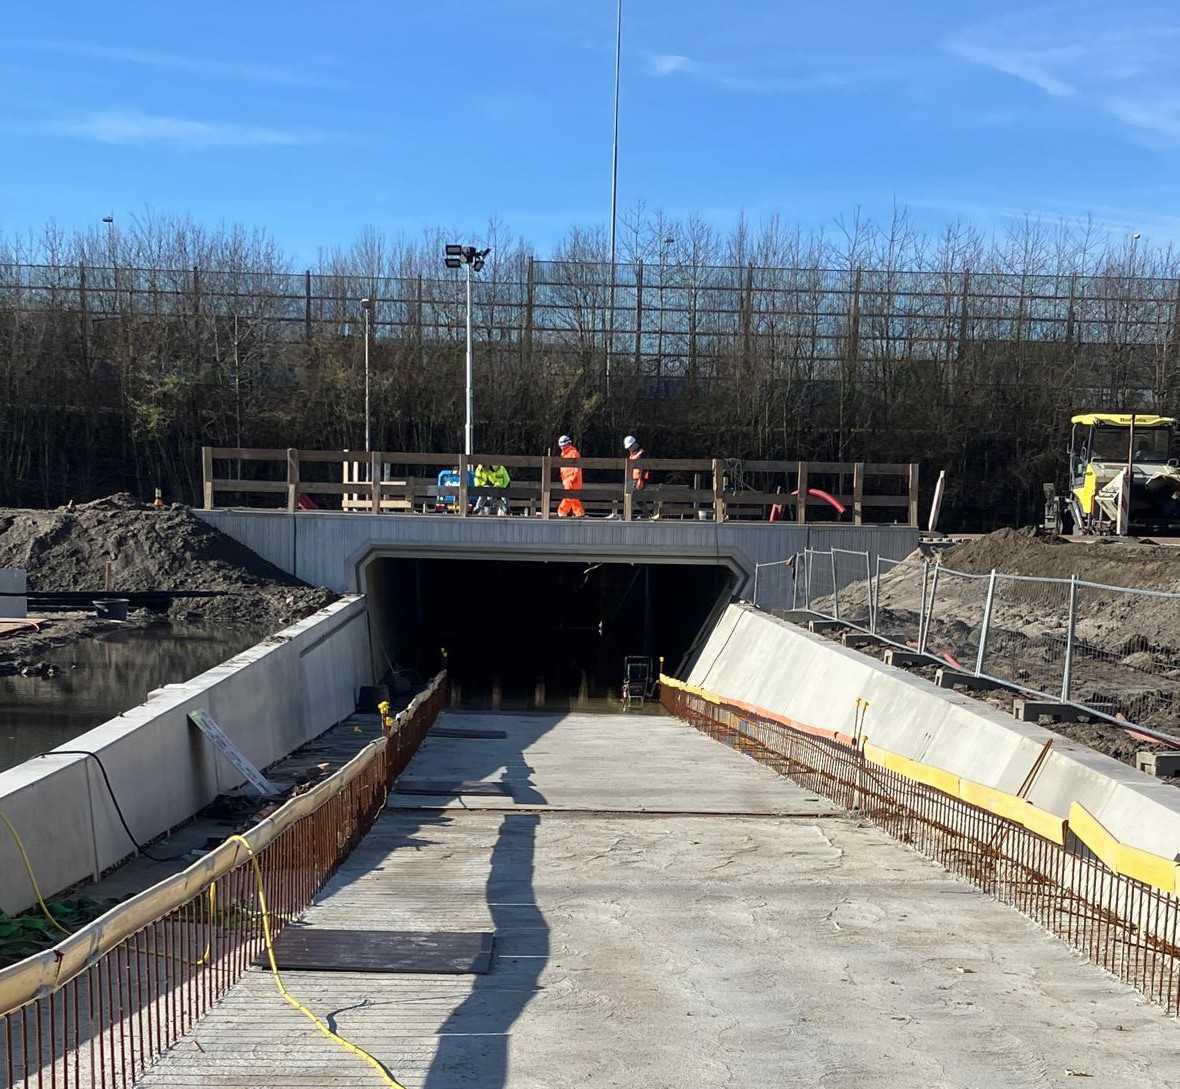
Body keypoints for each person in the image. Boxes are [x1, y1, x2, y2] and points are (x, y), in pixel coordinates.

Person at [556, 435, 585, 517]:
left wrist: (572, 479)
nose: (562, 447)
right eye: (561, 446)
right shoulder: (563, 454)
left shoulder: (573, 453)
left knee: (570, 497)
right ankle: (578, 513)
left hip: (573, 480)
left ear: (568, 444)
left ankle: (562, 512)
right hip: (567, 480)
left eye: (563, 445)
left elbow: (577, 468)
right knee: (571, 498)